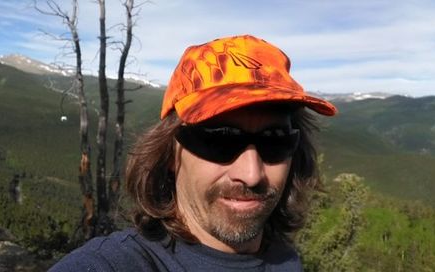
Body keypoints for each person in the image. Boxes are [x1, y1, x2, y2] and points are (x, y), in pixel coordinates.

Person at [50, 34, 337, 271]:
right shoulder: (117, 263)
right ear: (171, 154)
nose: (251, 174)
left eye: (275, 140)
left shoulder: (283, 258)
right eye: (220, 140)